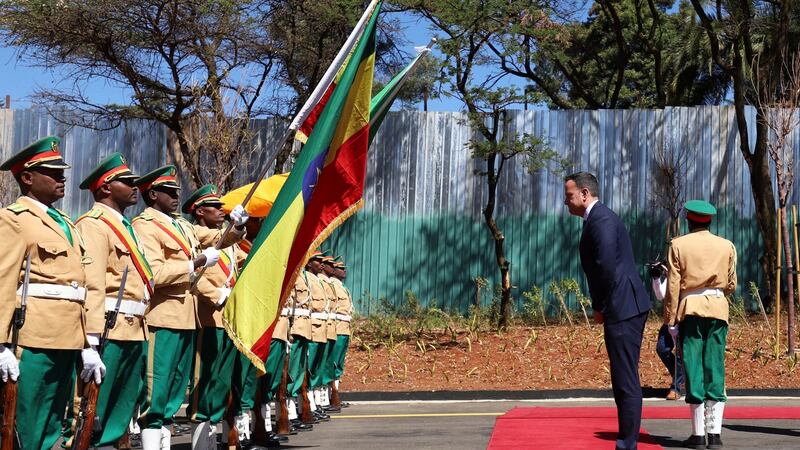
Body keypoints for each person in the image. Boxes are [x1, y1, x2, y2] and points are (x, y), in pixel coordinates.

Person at [0, 136, 105, 449]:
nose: (62, 178)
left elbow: (82, 286)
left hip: (68, 338)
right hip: (33, 338)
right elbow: (3, 280)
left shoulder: (67, 224)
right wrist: (1, 343)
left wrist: (88, 342)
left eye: (62, 173)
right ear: (28, 178)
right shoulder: (14, 220)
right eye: (53, 173)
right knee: (27, 425)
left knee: (51, 426)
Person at [131, 166, 247, 449]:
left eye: (176, 191)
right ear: (153, 194)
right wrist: (195, 263)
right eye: (169, 192)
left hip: (187, 317)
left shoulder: (182, 226)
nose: (175, 196)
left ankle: (164, 441)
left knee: (173, 389)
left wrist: (238, 225)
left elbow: (220, 239)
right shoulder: (143, 226)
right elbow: (154, 274)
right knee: (156, 387)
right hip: (163, 315)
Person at [564, 171, 651, 450]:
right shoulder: (599, 218)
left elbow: (606, 269)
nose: (566, 202)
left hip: (622, 307)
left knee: (625, 379)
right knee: (622, 376)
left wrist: (599, 306)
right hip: (623, 305)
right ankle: (627, 440)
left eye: (569, 195)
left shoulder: (600, 220)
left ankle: (627, 443)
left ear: (585, 194)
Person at [72, 152, 151, 448]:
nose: (135, 187)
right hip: (108, 330)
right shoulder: (94, 224)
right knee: (94, 413)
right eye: (127, 182)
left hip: (133, 329)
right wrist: (90, 342)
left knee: (121, 409)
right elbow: (92, 283)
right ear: (105, 187)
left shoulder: (127, 227)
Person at [663, 200, 736, 450]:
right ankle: (715, 434)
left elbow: (672, 287)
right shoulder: (727, 245)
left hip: (690, 309)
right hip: (718, 309)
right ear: (710, 221)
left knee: (693, 366)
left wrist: (670, 320)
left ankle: (697, 435)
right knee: (715, 365)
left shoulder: (678, 245)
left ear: (689, 220)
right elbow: (731, 284)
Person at [183, 185, 247, 449]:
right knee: (204, 379)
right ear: (199, 211)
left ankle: (213, 430)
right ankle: (199, 439)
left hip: (227, 319)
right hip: (206, 315)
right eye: (215, 207)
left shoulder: (226, 241)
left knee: (221, 380)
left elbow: (242, 260)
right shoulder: (194, 237)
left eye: (223, 207)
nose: (222, 211)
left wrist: (240, 226)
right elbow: (190, 277)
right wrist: (217, 295)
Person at [649, 260, 685, 400]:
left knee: (681, 352)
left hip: (683, 318)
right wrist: (657, 278)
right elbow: (660, 295)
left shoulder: (686, 275)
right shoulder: (671, 276)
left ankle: (676, 387)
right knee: (662, 348)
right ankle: (680, 376)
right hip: (669, 319)